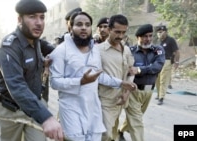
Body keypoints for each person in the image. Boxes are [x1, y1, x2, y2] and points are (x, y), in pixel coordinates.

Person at [49, 11, 136, 141]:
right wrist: (80, 81)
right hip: (71, 108)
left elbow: (98, 76)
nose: (84, 27)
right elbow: (54, 82)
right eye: (79, 24)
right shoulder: (60, 51)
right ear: (71, 27)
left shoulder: (94, 50)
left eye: (87, 24)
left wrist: (121, 83)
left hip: (93, 108)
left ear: (90, 28)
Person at [0, 0, 63, 141]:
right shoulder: (8, 47)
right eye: (32, 17)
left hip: (34, 105)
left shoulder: (35, 40)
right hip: (11, 110)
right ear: (20, 20)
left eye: (42, 17)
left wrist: (43, 62)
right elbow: (16, 86)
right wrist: (46, 118)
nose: (39, 22)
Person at [118, 24, 165, 141]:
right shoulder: (131, 52)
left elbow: (157, 66)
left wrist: (139, 70)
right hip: (134, 91)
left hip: (148, 92)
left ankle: (120, 131)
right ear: (138, 37)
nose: (148, 39)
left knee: (136, 117)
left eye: (150, 36)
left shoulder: (158, 50)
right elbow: (128, 71)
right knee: (137, 120)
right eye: (145, 36)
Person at [96, 14, 134, 141]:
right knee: (105, 134)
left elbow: (130, 73)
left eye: (123, 32)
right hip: (105, 101)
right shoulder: (97, 50)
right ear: (109, 30)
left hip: (121, 100)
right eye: (117, 32)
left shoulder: (127, 50)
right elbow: (97, 76)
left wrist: (127, 93)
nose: (121, 36)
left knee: (113, 134)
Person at [155, 25, 180, 105]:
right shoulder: (158, 41)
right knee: (157, 79)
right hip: (158, 61)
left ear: (165, 32)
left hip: (167, 61)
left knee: (163, 79)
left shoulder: (170, 40)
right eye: (158, 32)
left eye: (161, 32)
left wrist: (176, 62)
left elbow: (177, 51)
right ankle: (159, 94)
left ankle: (161, 97)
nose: (159, 33)